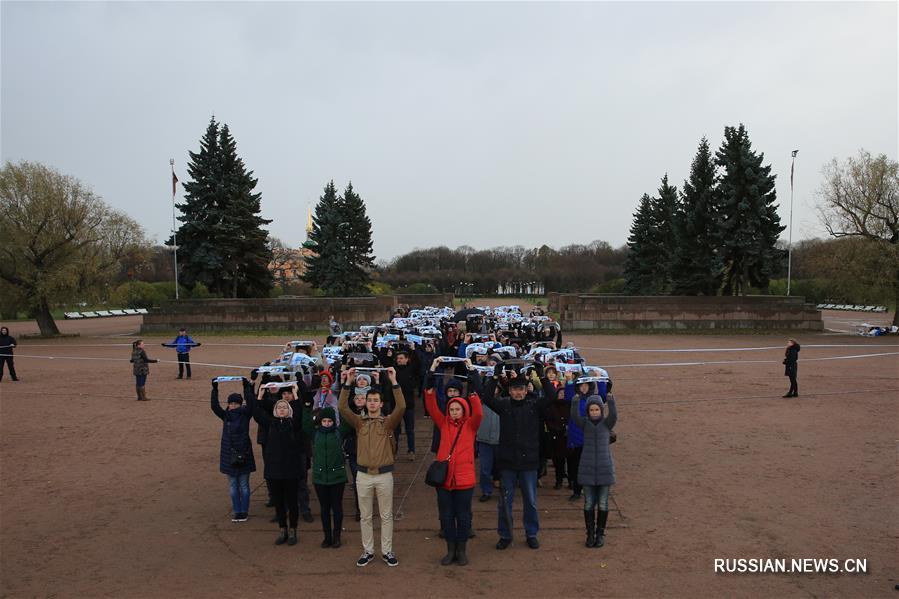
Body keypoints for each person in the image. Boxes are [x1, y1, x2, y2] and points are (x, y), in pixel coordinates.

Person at [338, 366, 405, 568]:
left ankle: (387, 551)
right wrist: (348, 382)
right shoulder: (359, 422)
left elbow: (401, 407)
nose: (373, 403)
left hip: (384, 475)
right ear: (365, 403)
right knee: (365, 516)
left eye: (376, 400)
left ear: (381, 404)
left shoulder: (387, 423)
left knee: (386, 516)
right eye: (370, 400)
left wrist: (394, 382)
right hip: (363, 475)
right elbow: (342, 407)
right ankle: (368, 550)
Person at [483, 363, 552, 550]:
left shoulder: (534, 405)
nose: (518, 393)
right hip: (508, 463)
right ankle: (505, 534)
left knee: (530, 500)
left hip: (529, 461)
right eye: (514, 389)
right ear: (510, 391)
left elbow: (551, 396)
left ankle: (531, 533)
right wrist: (495, 376)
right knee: (505, 501)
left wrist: (542, 376)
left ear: (525, 390)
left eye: (520, 389)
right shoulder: (504, 406)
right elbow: (487, 397)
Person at [425, 366, 483, 566]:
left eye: (458, 409)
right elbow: (431, 402)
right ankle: (450, 550)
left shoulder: (471, 425)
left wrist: (473, 377)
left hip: (465, 480)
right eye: (452, 409)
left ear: (464, 409)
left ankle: (462, 549)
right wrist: (431, 373)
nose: (454, 412)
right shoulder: (443, 423)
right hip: (445, 479)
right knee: (447, 516)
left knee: (464, 516)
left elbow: (479, 411)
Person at [253, 385, 305, 546]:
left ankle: (293, 530)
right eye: (279, 407)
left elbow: (299, 410)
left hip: (290, 470)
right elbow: (257, 413)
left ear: (288, 410)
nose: (282, 409)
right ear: (275, 410)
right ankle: (282, 528)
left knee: (292, 502)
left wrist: (295, 393)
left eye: (284, 407)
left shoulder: (293, 424)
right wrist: (260, 394)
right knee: (279, 502)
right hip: (274, 470)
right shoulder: (270, 424)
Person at [570, 394, 617, 548]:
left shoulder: (607, 424)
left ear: (601, 410)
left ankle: (600, 533)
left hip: (604, 469)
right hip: (588, 469)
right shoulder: (584, 424)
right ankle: (590, 534)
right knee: (589, 503)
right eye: (592, 410)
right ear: (588, 411)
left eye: (597, 409)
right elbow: (574, 415)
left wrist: (610, 400)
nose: (595, 412)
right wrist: (575, 401)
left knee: (603, 504)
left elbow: (614, 415)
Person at [210, 378, 256, 522]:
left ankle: (244, 511)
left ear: (240, 404)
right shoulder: (225, 415)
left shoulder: (246, 414)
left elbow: (252, 404)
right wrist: (215, 389)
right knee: (233, 486)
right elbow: (214, 406)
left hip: (244, 453)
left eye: (236, 403)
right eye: (231, 403)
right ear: (228, 405)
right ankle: (237, 510)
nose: (233, 406)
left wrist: (246, 387)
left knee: (243, 486)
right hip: (228, 454)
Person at [303, 405, 349, 549]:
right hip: (320, 477)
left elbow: (348, 422)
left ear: (334, 422)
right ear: (320, 421)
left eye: (330, 421)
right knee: (324, 508)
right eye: (324, 421)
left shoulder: (339, 432)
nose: (327, 423)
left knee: (337, 507)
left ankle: (336, 536)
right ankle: (327, 536)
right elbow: (305, 424)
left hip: (337, 477)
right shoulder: (315, 433)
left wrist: (342, 408)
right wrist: (307, 408)